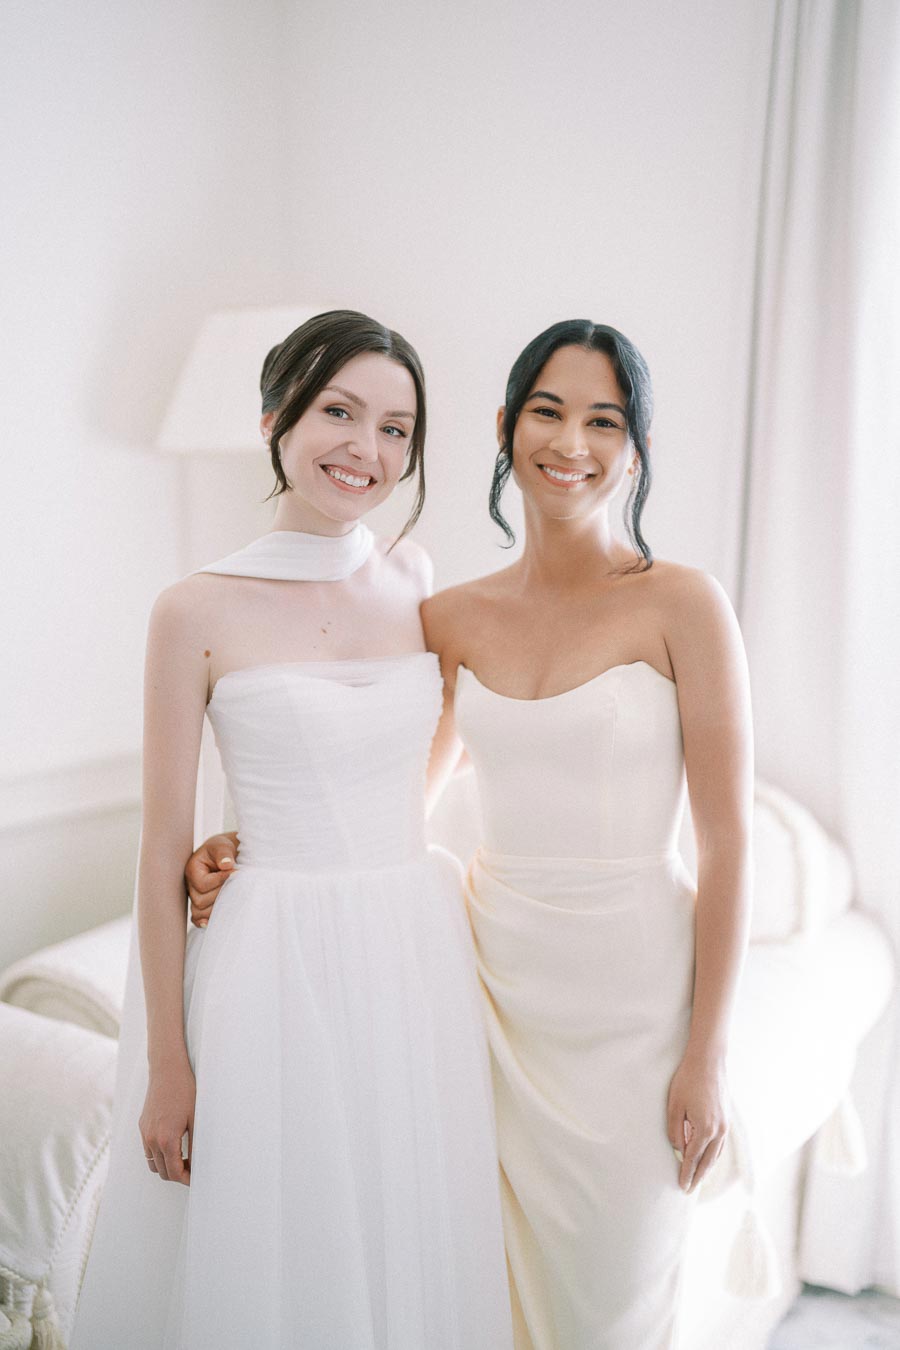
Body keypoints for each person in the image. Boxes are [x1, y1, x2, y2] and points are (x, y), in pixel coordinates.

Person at [188, 319, 753, 1350]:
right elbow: (382, 787)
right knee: (480, 1296)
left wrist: (708, 1055)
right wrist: (241, 846)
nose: (570, 442)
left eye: (603, 419)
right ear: (503, 426)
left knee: (610, 1304)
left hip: (634, 1006)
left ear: (639, 449)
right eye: (547, 410)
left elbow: (728, 847)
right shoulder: (449, 615)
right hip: (485, 990)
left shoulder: (684, 605)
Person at [70, 310, 513, 1350]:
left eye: (398, 429)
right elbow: (158, 847)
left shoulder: (416, 579)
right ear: (276, 417)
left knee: (399, 1219)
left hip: (411, 943)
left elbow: (429, 752)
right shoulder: (195, 608)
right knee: (281, 1233)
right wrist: (165, 1066)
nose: (368, 449)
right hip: (269, 956)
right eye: (339, 412)